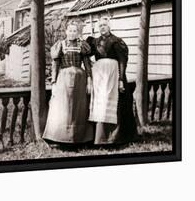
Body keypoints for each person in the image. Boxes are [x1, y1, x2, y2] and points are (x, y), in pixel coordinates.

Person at [88, 17, 138, 145]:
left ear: (110, 26)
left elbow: (122, 61)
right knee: (101, 104)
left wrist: (121, 79)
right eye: (100, 26)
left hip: (115, 77)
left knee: (118, 104)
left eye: (104, 25)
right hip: (101, 78)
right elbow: (86, 54)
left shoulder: (116, 41)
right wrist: (92, 68)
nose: (102, 28)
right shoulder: (95, 42)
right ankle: (100, 137)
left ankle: (117, 138)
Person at [43, 21, 94, 144]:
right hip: (64, 80)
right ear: (66, 32)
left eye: (74, 31)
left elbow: (87, 65)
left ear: (78, 33)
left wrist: (89, 80)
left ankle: (80, 137)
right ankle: (60, 137)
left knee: (78, 107)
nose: (72, 33)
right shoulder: (60, 45)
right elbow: (55, 65)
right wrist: (54, 82)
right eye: (70, 30)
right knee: (63, 106)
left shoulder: (82, 45)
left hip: (80, 80)